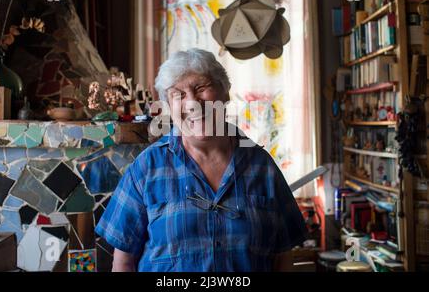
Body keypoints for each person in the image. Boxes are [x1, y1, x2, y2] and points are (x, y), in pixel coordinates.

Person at [95, 48, 308, 272]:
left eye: (201, 88)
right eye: (179, 95)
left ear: (224, 92)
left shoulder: (262, 166)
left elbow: (282, 258)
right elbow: (123, 262)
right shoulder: (147, 167)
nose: (193, 103)